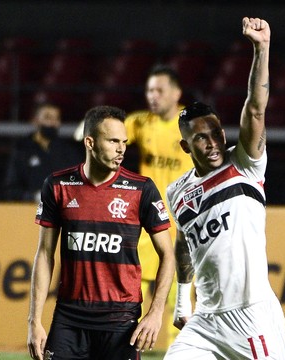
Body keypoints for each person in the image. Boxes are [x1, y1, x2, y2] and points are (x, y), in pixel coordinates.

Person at [164, 17, 285, 359]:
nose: (212, 143)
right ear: (186, 147)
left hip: (253, 317)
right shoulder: (178, 192)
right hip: (205, 321)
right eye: (200, 138)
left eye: (216, 133)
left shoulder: (245, 165)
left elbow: (255, 108)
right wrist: (181, 299)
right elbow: (184, 242)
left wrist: (261, 49)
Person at [27, 105, 175, 360]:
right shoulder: (57, 186)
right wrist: (34, 320)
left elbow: (168, 255)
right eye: (113, 141)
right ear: (90, 142)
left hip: (121, 320)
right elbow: (44, 254)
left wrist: (155, 312)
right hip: (69, 318)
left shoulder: (142, 189)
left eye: (125, 142)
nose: (121, 149)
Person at [124, 64, 194, 347]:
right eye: (149, 90)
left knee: (182, 282)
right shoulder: (141, 122)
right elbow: (108, 135)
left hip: (184, 216)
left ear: (176, 93)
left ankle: (183, 345)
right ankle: (129, 340)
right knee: (137, 278)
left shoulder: (191, 122)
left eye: (159, 90)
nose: (153, 96)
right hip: (149, 215)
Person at [4, 102, 84, 202]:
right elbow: (12, 188)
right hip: (29, 211)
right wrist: (33, 197)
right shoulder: (22, 150)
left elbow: (80, 183)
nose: (52, 122)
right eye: (47, 117)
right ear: (35, 120)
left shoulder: (69, 151)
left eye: (56, 118)